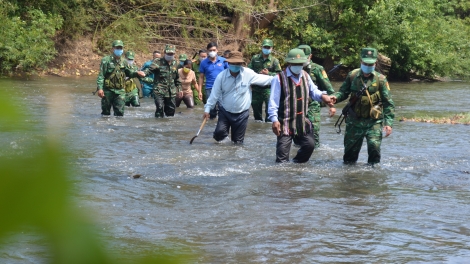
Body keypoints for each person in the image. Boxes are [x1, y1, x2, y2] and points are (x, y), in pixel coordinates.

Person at [268, 48, 335, 163]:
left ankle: (296, 166)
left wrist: (324, 97)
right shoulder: (279, 79)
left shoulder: (305, 76)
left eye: (300, 64)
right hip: (286, 123)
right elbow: (273, 102)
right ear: (289, 63)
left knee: (310, 145)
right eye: (295, 64)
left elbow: (314, 92)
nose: (298, 66)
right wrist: (274, 120)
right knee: (282, 160)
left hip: (302, 121)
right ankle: (282, 178)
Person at [330, 47, 395, 164]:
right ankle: (350, 179)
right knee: (349, 156)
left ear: (375, 63)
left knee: (374, 149)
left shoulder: (381, 79)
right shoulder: (352, 76)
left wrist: (388, 123)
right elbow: (343, 92)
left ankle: (372, 177)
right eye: (365, 63)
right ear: (361, 61)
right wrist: (335, 98)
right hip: (354, 122)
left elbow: (388, 102)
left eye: (371, 64)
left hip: (373, 122)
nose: (368, 66)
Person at [203, 51, 273, 144]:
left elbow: (265, 80)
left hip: (242, 113)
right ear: (228, 63)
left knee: (238, 143)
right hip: (225, 111)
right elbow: (214, 95)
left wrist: (280, 78)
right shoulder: (221, 77)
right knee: (219, 134)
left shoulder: (248, 74)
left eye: (238, 64)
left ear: (241, 64)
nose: (235, 66)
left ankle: (233, 156)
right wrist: (207, 109)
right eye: (233, 63)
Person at [297, 44, 336, 148]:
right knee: (297, 135)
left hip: (312, 106)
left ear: (310, 56)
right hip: (297, 106)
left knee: (314, 133)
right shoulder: (293, 68)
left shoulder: (317, 69)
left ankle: (315, 157)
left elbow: (329, 89)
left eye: (305, 57)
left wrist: (331, 106)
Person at [96, 40, 144, 116]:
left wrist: (137, 73)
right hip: (108, 90)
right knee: (105, 113)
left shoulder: (124, 62)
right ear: (112, 49)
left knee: (120, 113)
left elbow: (129, 73)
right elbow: (101, 75)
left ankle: (118, 127)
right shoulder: (106, 60)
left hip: (120, 91)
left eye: (120, 48)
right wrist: (100, 88)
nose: (119, 50)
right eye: (117, 48)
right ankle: (104, 127)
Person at [143, 44, 182, 118]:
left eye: (171, 54)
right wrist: (144, 73)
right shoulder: (158, 62)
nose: (170, 55)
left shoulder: (175, 63)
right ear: (164, 52)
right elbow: (149, 70)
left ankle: (168, 127)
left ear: (174, 54)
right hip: (159, 90)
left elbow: (177, 78)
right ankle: (158, 125)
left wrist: (179, 89)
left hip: (171, 92)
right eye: (168, 53)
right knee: (160, 108)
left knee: (171, 112)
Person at [248, 39, 282, 122]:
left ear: (271, 48)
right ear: (262, 47)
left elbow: (280, 75)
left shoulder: (274, 61)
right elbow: (248, 71)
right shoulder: (255, 58)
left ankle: (267, 131)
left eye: (268, 47)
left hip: (269, 89)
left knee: (269, 113)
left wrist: (269, 73)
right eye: (265, 47)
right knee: (257, 114)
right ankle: (258, 130)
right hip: (256, 89)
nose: (266, 49)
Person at [199, 42, 228, 119]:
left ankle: (222, 124)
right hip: (209, 88)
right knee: (211, 109)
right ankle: (211, 126)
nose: (212, 52)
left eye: (214, 50)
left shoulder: (223, 61)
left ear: (217, 50)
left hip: (222, 88)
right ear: (207, 51)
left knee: (223, 107)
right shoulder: (203, 63)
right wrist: (199, 91)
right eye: (210, 50)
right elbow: (201, 77)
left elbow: (229, 74)